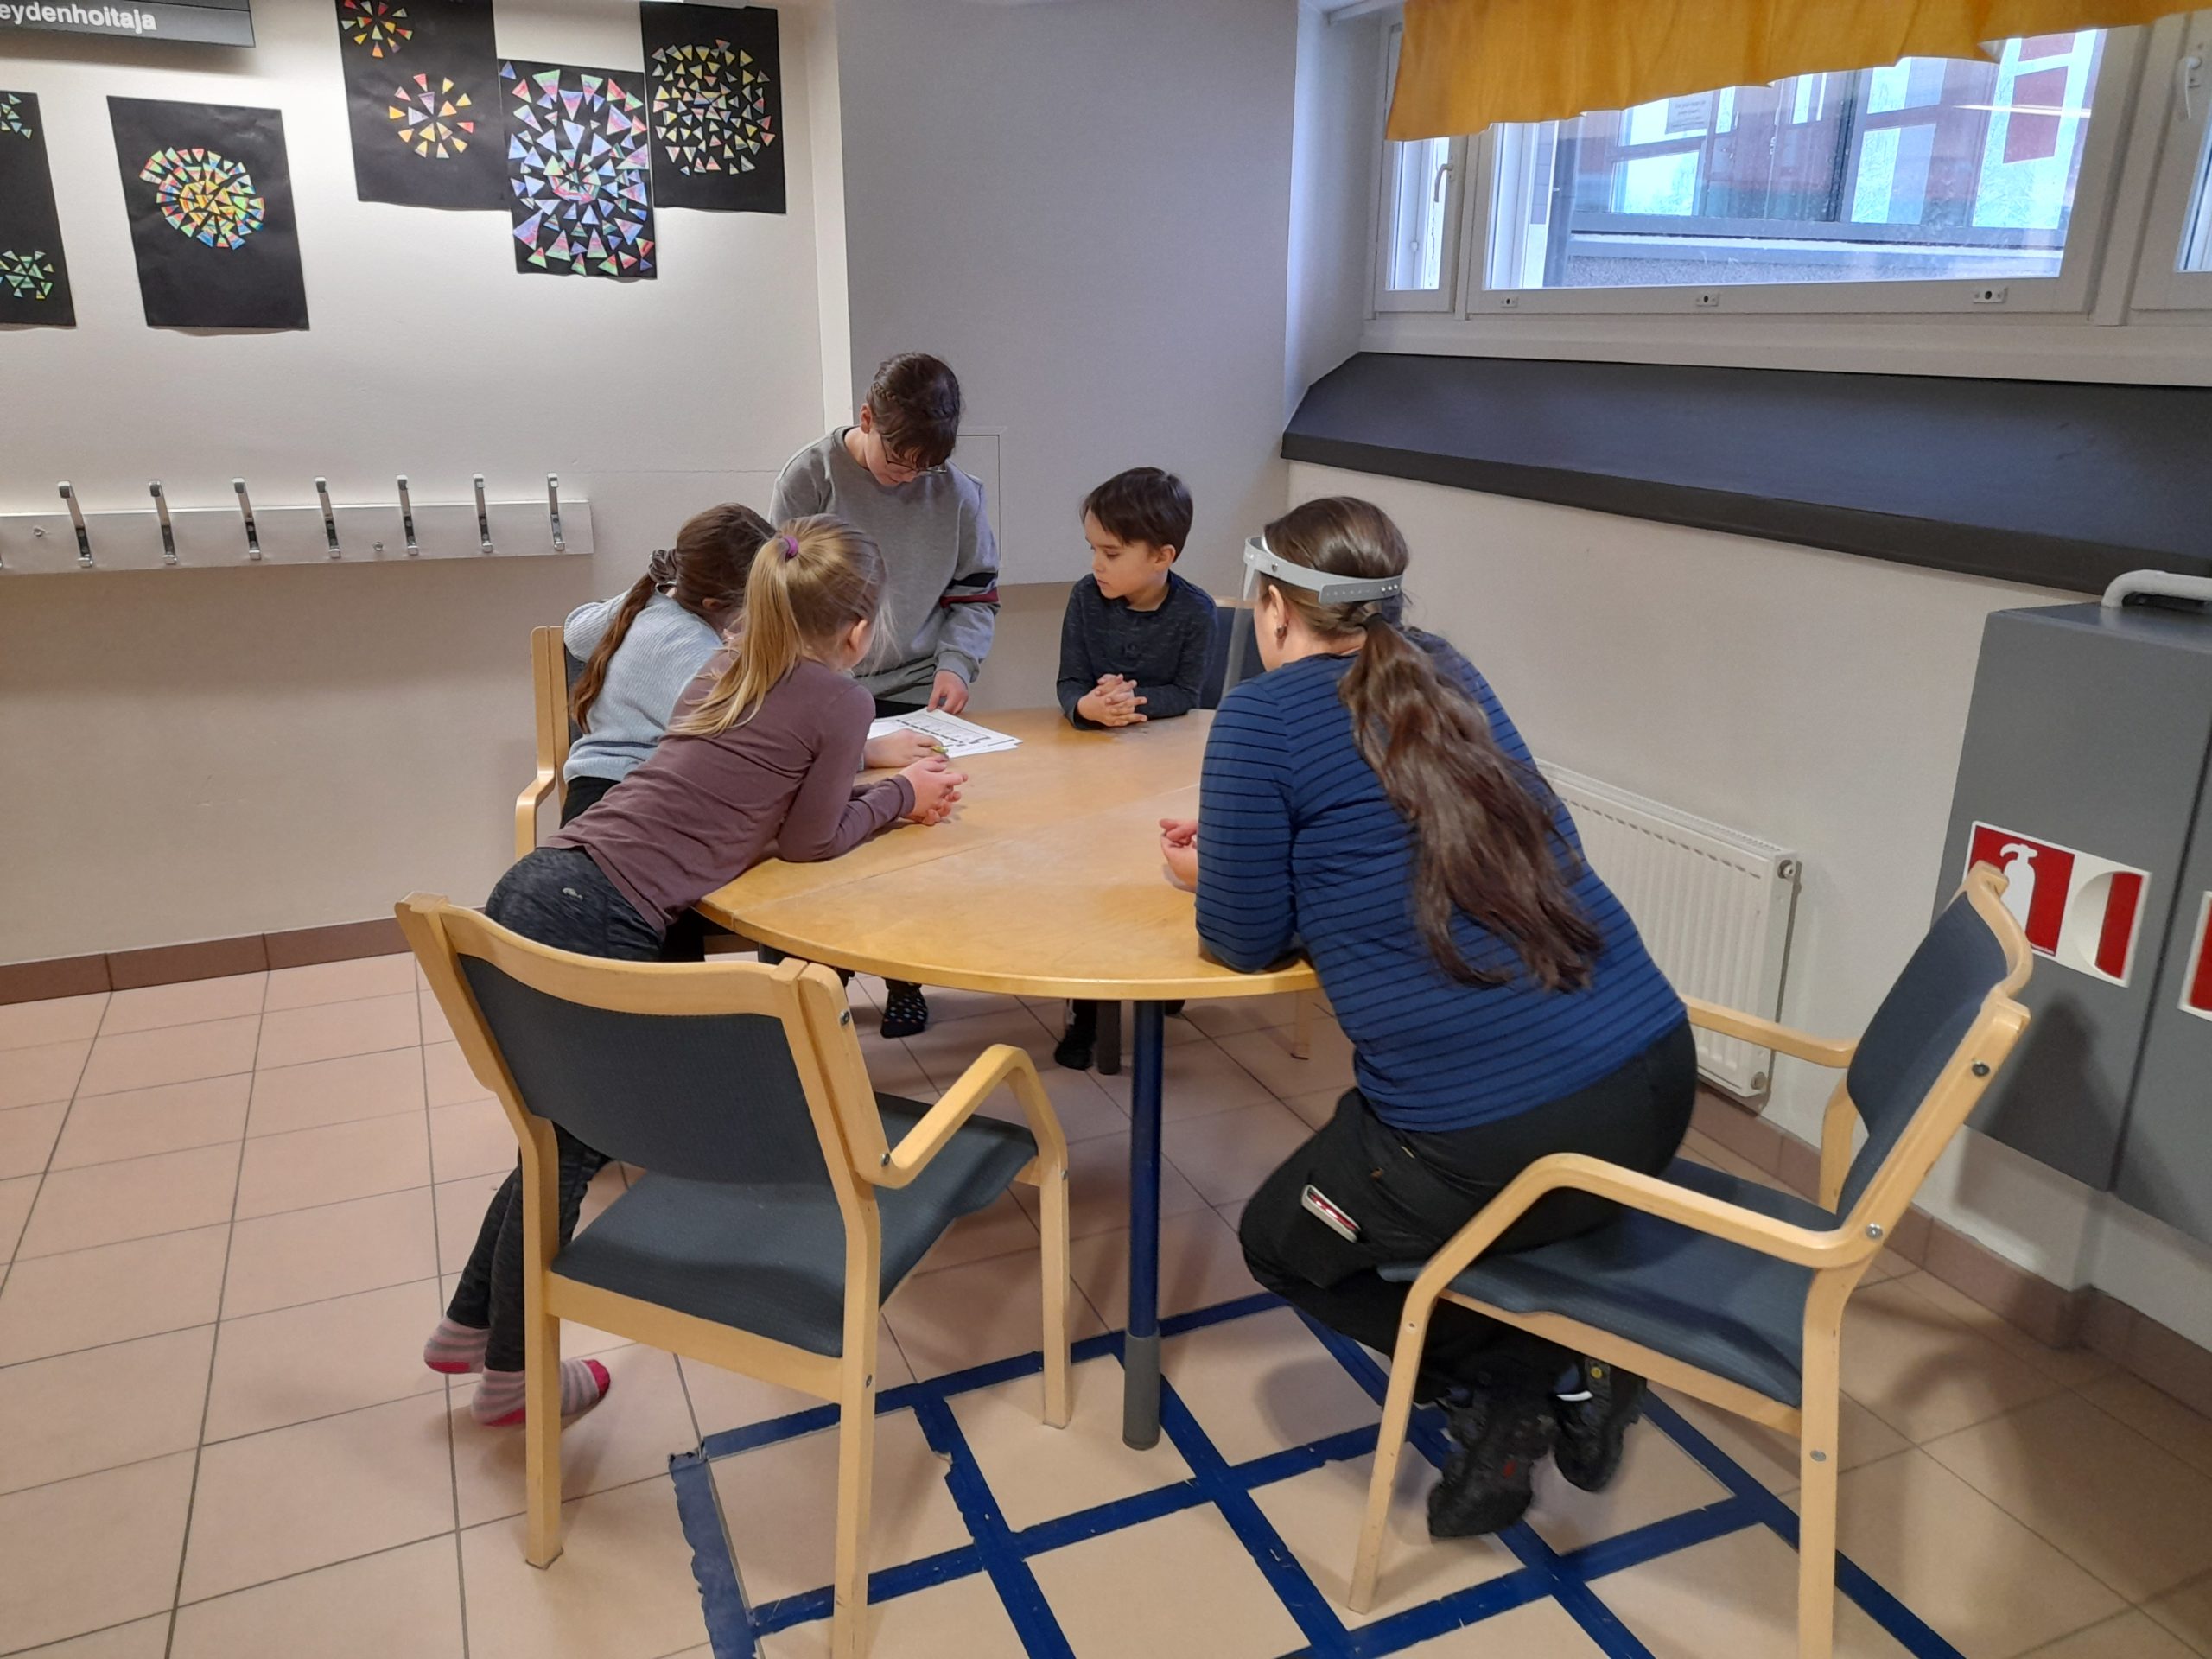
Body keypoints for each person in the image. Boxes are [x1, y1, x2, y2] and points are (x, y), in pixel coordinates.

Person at [1162, 497, 1693, 1540]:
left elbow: (1241, 939)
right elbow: (1481, 835)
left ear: (1272, 610)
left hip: (1499, 1141)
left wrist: (1207, 870)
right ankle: (1577, 1369)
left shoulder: (1260, 719)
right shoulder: (1446, 670)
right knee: (1406, 1172)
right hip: (1657, 1082)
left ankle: (1510, 1375)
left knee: (1282, 1242)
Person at [423, 516, 967, 1427]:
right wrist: (900, 796)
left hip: (538, 884)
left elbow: (749, 784)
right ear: (859, 629)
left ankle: (470, 1322)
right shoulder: (839, 701)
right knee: (573, 1149)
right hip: (601, 916)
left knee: (547, 1138)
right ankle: (514, 1377)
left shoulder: (728, 663)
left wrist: (870, 784)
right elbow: (810, 840)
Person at [770, 352, 999, 1039]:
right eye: (897, 460)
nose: (907, 477)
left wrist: (957, 665)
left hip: (912, 687)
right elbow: (780, 590)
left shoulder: (957, 494)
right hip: (823, 683)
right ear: (865, 418)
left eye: (923, 469)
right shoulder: (810, 476)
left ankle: (905, 977)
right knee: (819, 827)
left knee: (910, 833)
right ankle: (820, 976)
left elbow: (976, 593)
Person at [1052, 467, 1214, 1070]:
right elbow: (1070, 682)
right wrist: (1088, 708)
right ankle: (1086, 1011)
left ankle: (1161, 978)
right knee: (1094, 884)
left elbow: (1187, 694)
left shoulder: (1195, 611)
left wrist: (1128, 702)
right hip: (1089, 772)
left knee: (1152, 877)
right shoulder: (1084, 598)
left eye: (1112, 553)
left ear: (1162, 556)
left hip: (1163, 770)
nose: (1097, 564)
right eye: (1093, 549)